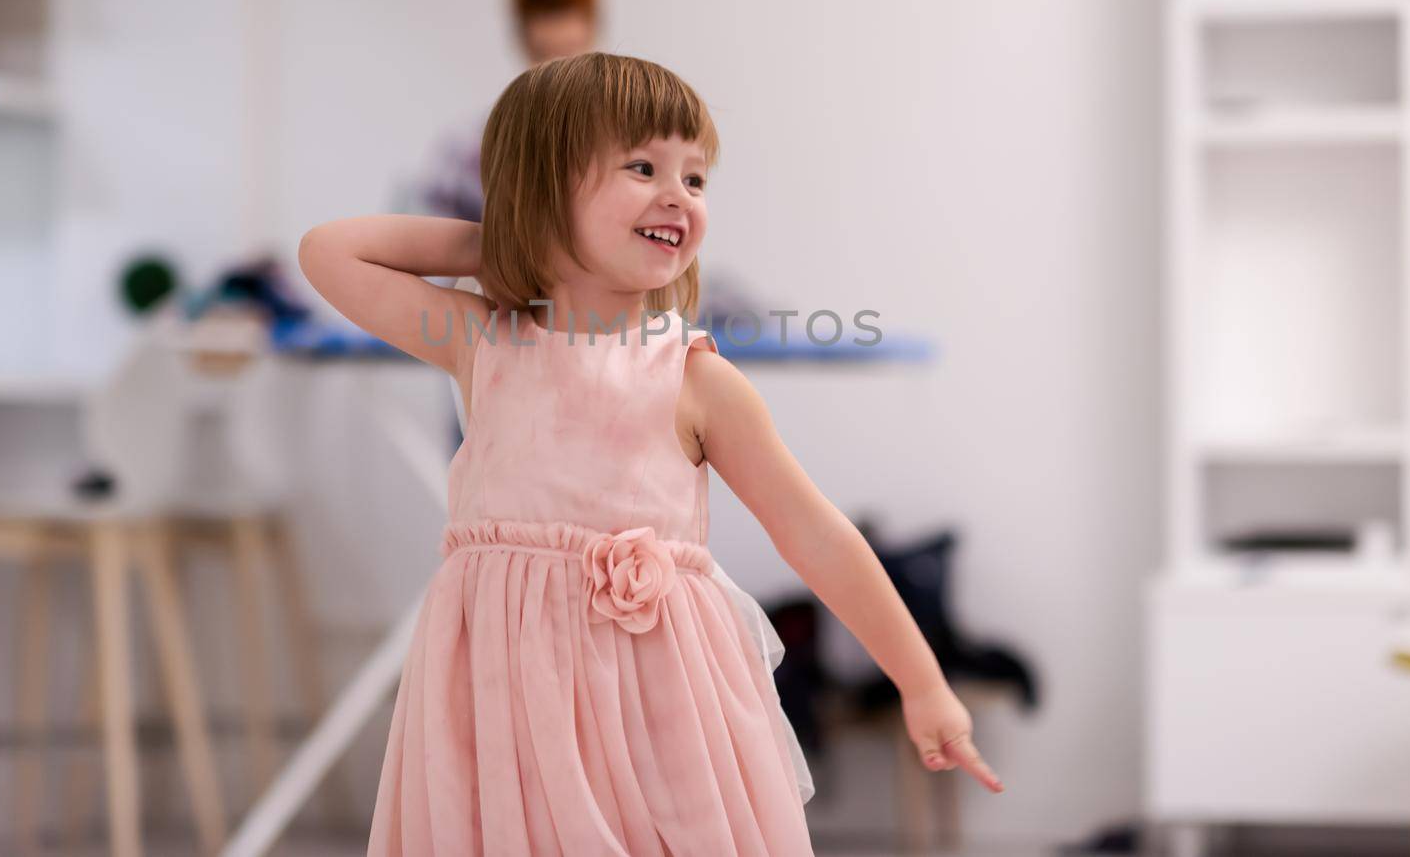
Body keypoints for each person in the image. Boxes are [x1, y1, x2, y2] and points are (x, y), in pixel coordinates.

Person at [298, 53, 1004, 855]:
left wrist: (922, 683)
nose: (679, 195)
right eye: (643, 167)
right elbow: (330, 252)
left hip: (651, 703)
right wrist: (511, 240)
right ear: (545, 189)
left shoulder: (696, 379)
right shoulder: (483, 343)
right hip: (502, 706)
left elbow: (818, 536)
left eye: (695, 179)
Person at [408, 0, 602, 222]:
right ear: (522, 45)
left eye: (570, 52)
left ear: (593, 41)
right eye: (544, 53)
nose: (557, 69)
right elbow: (426, 232)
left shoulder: (624, 144)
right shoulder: (467, 147)